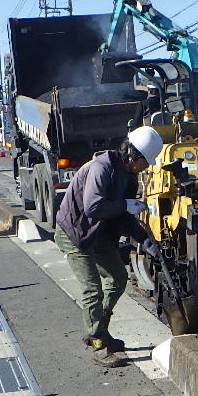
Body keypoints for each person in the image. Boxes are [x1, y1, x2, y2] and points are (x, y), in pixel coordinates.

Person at [55, 126, 164, 356]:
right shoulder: (101, 168)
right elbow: (93, 207)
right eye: (146, 161)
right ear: (133, 155)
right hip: (75, 233)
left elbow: (123, 217)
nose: (147, 167)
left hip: (98, 233)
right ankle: (98, 343)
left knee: (117, 278)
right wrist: (125, 205)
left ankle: (99, 330)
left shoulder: (130, 177)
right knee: (92, 289)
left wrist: (147, 242)